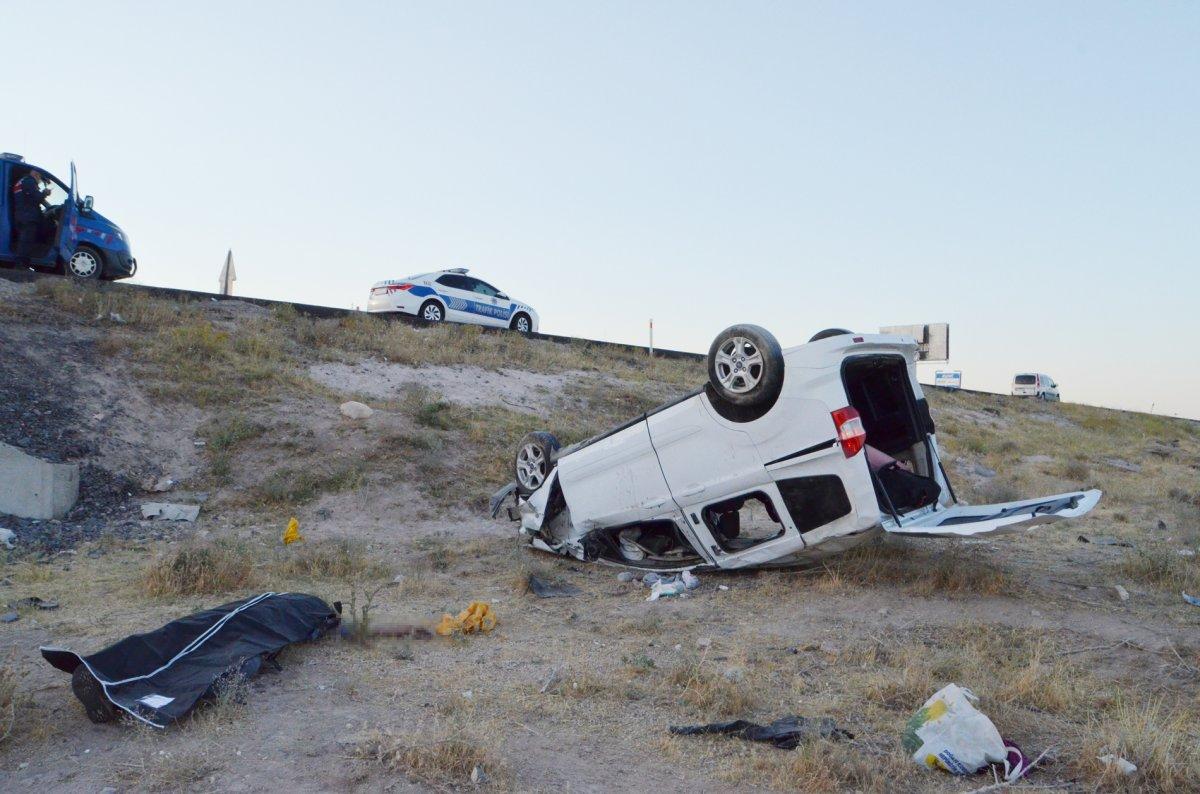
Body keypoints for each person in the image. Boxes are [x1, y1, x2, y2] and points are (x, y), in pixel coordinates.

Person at [10, 169, 50, 264]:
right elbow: (36, 198)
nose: (39, 181)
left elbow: (28, 198)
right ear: (36, 174)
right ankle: (21, 264)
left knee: (24, 240)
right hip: (28, 216)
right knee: (26, 241)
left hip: (21, 215)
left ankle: (22, 262)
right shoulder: (29, 181)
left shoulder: (21, 181)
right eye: (39, 178)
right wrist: (45, 193)